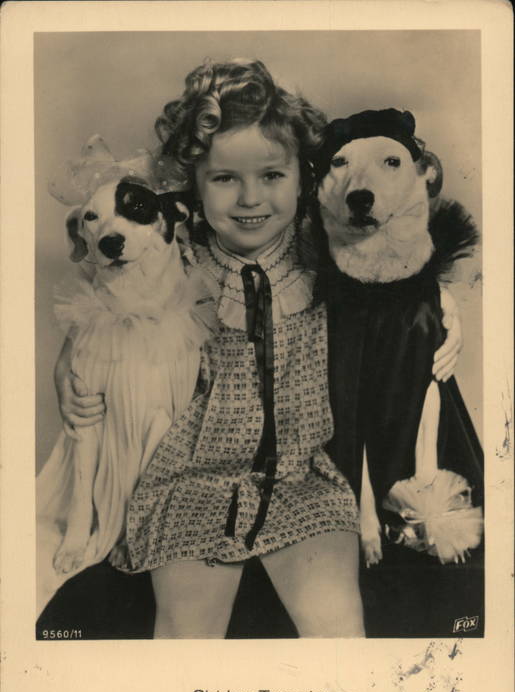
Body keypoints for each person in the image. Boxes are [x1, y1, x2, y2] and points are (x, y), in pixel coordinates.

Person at [53, 59, 462, 638]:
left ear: (304, 177)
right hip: (190, 478)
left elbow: (402, 281)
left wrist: (447, 309)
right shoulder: (173, 256)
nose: (250, 199)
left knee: (338, 624)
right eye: (224, 179)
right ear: (193, 185)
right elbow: (95, 322)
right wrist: (64, 377)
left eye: (272, 175)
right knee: (185, 630)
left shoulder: (327, 252)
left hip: (306, 477)